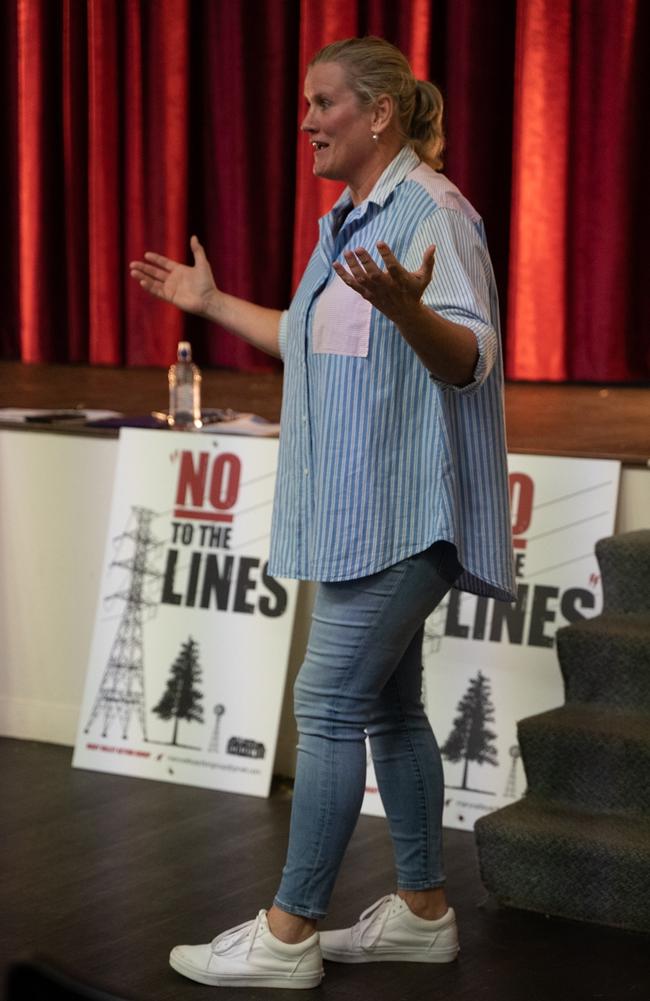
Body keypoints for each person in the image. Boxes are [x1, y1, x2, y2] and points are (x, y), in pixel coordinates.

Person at [130, 35, 515, 991]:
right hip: (356, 508)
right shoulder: (343, 221)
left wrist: (412, 314)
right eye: (304, 104)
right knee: (385, 704)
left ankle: (289, 929)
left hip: (408, 508)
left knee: (329, 701)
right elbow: (311, 342)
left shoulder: (433, 212)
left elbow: (470, 357)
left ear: (378, 112)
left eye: (322, 103)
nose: (305, 121)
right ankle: (424, 909)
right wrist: (213, 301)